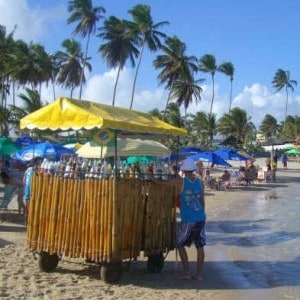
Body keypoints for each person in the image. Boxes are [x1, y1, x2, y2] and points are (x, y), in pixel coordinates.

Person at [174, 158, 206, 280]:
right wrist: (202, 213)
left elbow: (166, 184)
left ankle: (186, 272)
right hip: (200, 217)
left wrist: (154, 180)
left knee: (179, 244)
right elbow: (202, 201)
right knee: (200, 246)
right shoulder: (200, 182)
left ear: (184, 170)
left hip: (188, 219)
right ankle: (199, 275)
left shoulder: (181, 182)